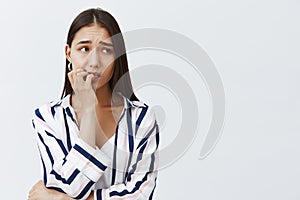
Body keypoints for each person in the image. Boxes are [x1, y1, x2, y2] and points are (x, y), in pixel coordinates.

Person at [28, 8, 159, 200]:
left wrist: (60, 199)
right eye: (84, 49)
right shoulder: (48, 117)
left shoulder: (141, 118)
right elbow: (71, 186)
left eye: (106, 50)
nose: (94, 62)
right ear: (68, 53)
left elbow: (140, 194)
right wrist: (88, 110)